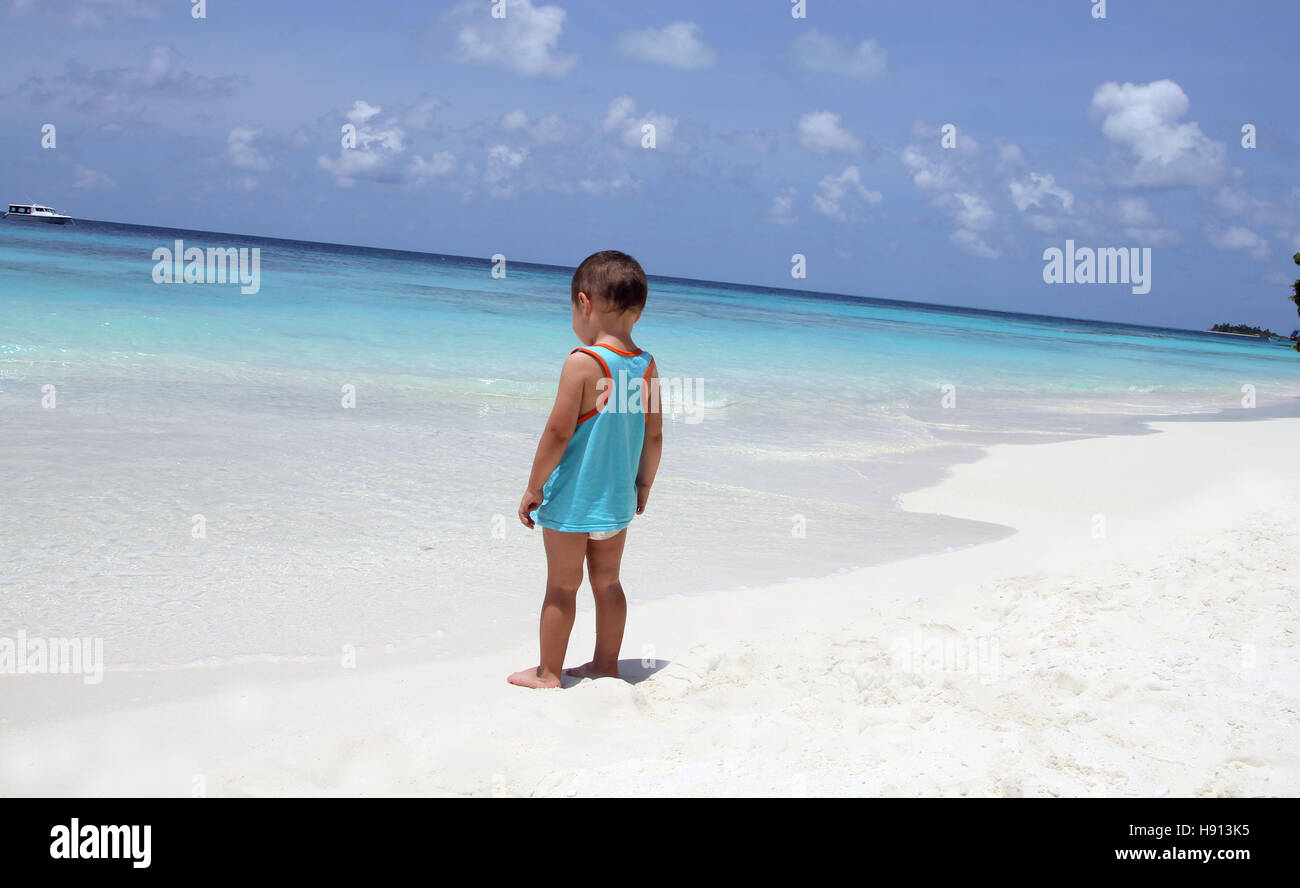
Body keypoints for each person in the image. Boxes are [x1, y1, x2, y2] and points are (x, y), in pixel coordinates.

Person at [508, 250, 663, 689]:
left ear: (584, 303)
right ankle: (606, 665)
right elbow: (654, 436)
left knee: (561, 588)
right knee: (608, 584)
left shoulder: (582, 361)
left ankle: (548, 672)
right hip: (616, 500)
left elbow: (557, 433)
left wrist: (534, 486)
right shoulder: (647, 366)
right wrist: (644, 484)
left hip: (574, 501)